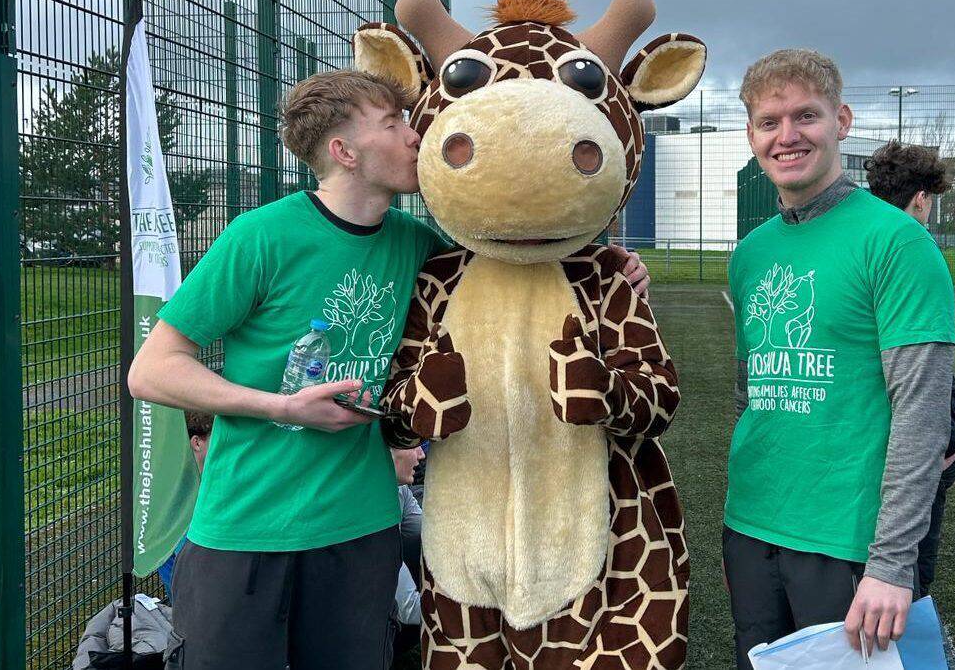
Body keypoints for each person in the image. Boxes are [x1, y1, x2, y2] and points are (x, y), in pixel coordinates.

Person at [128, 69, 652, 670]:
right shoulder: (260, 237)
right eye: (394, 124)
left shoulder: (418, 245)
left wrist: (614, 270)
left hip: (362, 532)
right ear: (344, 152)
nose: (415, 135)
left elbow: (522, 276)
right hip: (246, 531)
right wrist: (281, 407)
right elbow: (152, 370)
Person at [723, 49, 955, 668]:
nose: (787, 136)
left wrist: (891, 564)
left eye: (806, 116)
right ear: (751, 135)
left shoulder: (898, 243)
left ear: (842, 120)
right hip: (750, 525)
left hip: (847, 540)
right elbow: (751, 391)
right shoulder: (749, 253)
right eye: (769, 122)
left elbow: (923, 415)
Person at [865, 140, 955, 596]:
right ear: (921, 198)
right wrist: (946, 440)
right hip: (912, 448)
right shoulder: (914, 246)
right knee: (911, 575)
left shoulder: (859, 240)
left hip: (863, 446)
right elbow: (926, 380)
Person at [156, 411, 213, 599]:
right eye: (216, 438)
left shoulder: (214, 475)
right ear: (197, 442)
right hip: (179, 558)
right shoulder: (179, 483)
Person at [389, 446, 425, 667]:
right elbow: (409, 608)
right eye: (413, 446)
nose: (422, 454)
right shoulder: (371, 506)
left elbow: (427, 534)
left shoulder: (400, 490)